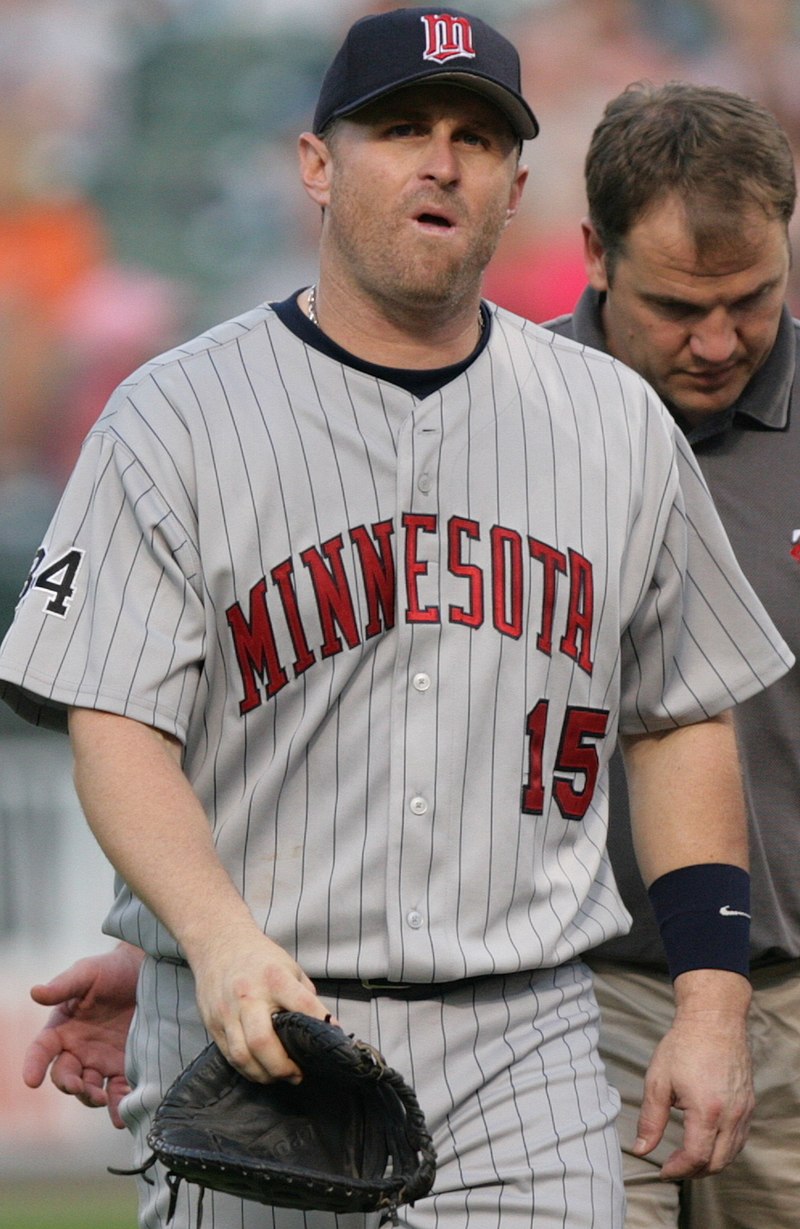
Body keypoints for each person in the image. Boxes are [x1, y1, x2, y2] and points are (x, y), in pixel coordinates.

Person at [3, 12, 793, 1229]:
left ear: (515, 187)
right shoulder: (174, 416)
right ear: (315, 162)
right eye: (402, 129)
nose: (442, 160)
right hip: (260, 1029)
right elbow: (115, 726)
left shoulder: (611, 424)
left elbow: (681, 713)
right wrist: (210, 938)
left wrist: (706, 999)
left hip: (524, 1035)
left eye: (477, 138)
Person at [544, 81, 800, 1228]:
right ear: (594, 252)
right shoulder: (500, 421)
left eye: (751, 299)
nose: (716, 341)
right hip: (566, 1008)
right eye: (677, 306)